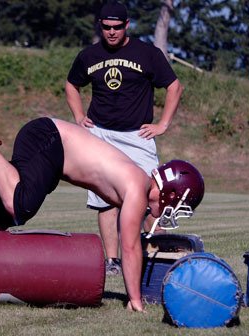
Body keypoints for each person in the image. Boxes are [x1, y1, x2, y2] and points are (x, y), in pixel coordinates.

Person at [0, 117, 204, 312]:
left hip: (51, 150)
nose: (174, 214)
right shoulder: (137, 187)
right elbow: (131, 246)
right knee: (20, 206)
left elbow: (143, 239)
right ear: (171, 193)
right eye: (181, 205)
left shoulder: (140, 189)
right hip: (49, 138)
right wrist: (134, 298)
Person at [65, 0, 183, 275]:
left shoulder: (147, 53)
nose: (112, 32)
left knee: (154, 198)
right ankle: (112, 262)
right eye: (106, 27)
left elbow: (174, 86)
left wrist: (163, 124)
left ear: (127, 25)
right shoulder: (88, 55)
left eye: (117, 27)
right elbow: (72, 84)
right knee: (105, 200)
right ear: (101, 26)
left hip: (137, 137)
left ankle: (159, 256)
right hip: (101, 137)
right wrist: (79, 115)